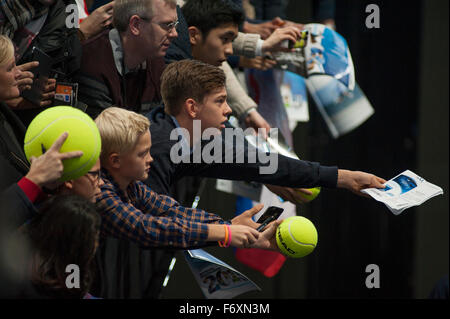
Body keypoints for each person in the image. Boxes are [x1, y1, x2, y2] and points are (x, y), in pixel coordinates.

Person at [92, 106, 279, 298]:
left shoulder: (131, 185)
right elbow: (146, 228)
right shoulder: (99, 193)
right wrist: (224, 232)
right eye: (142, 154)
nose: (151, 159)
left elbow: (173, 212)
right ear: (115, 161)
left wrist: (228, 226)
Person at [75, 0, 177, 118]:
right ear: (135, 25)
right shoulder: (93, 64)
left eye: (175, 25)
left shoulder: (155, 58)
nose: (174, 34)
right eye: (167, 25)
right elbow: (112, 134)